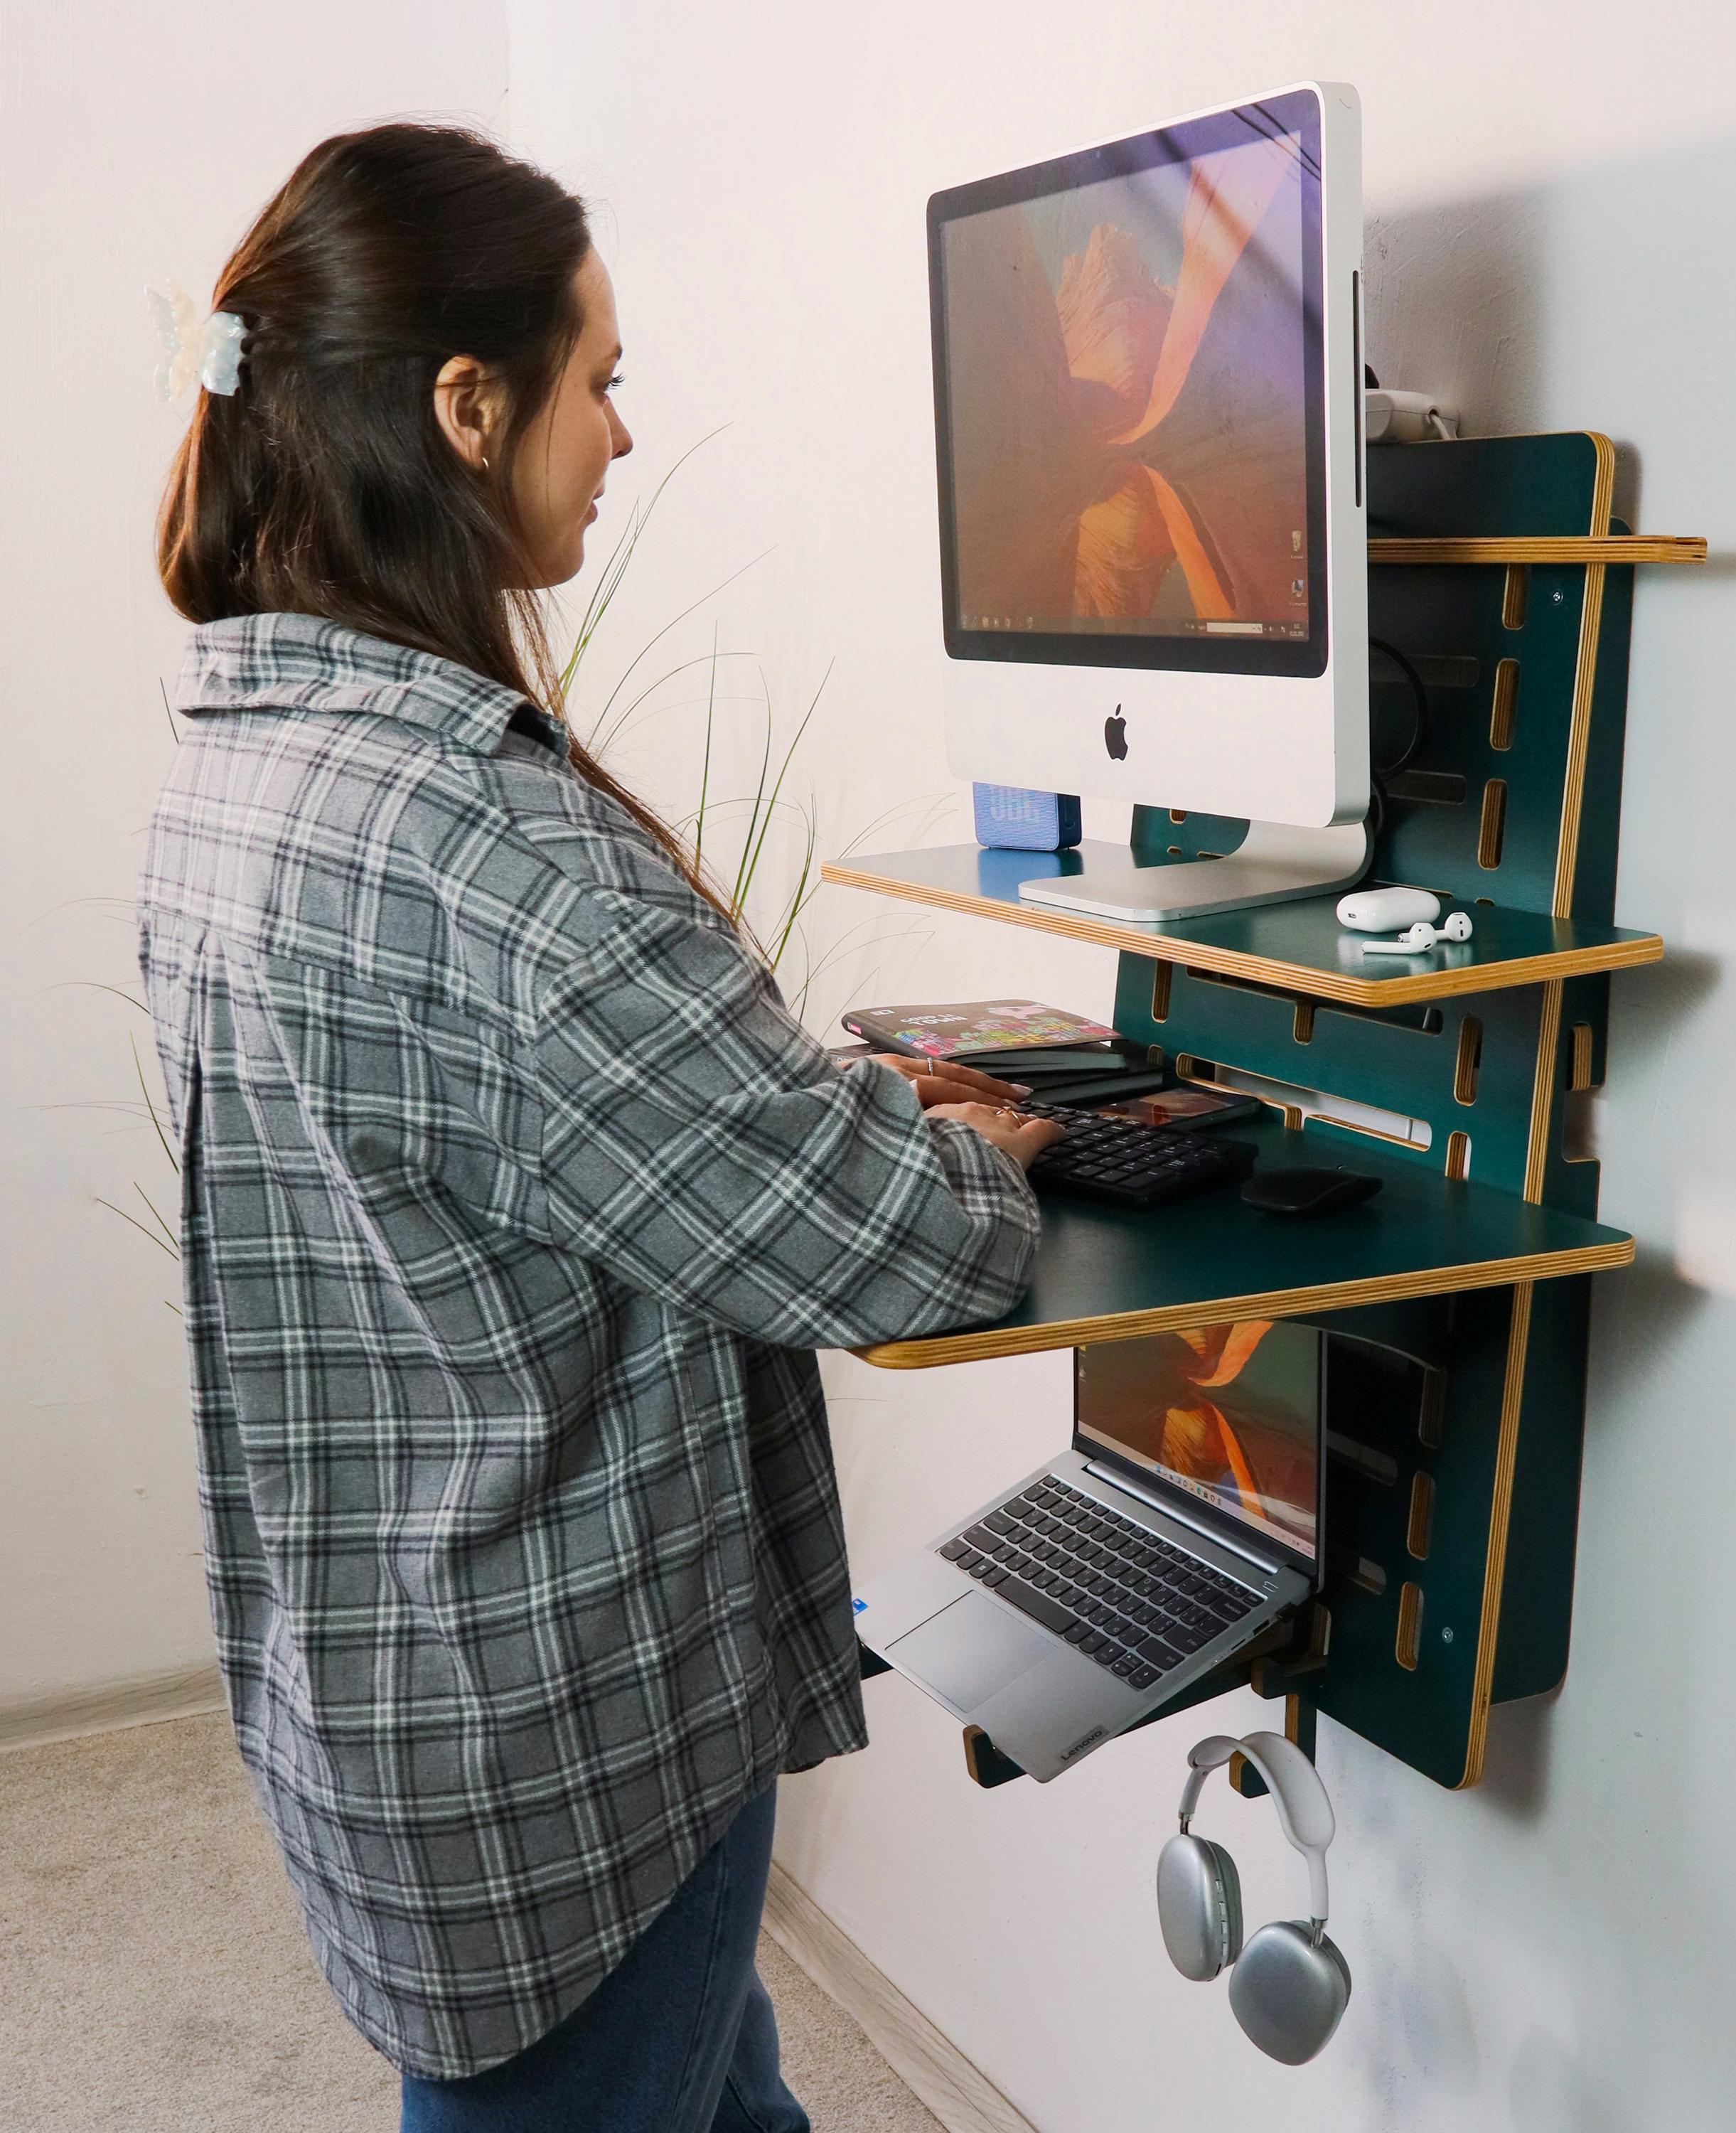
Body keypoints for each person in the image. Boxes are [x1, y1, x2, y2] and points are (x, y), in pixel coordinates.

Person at [141, 123, 1063, 2132]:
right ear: (467, 407)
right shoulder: (485, 841)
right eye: (602, 380)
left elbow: (560, 1132)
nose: (623, 436)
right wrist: (979, 1155)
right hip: (559, 1737)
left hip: (386, 1689)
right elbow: (897, 1250)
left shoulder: (241, 753)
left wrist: (805, 1110)